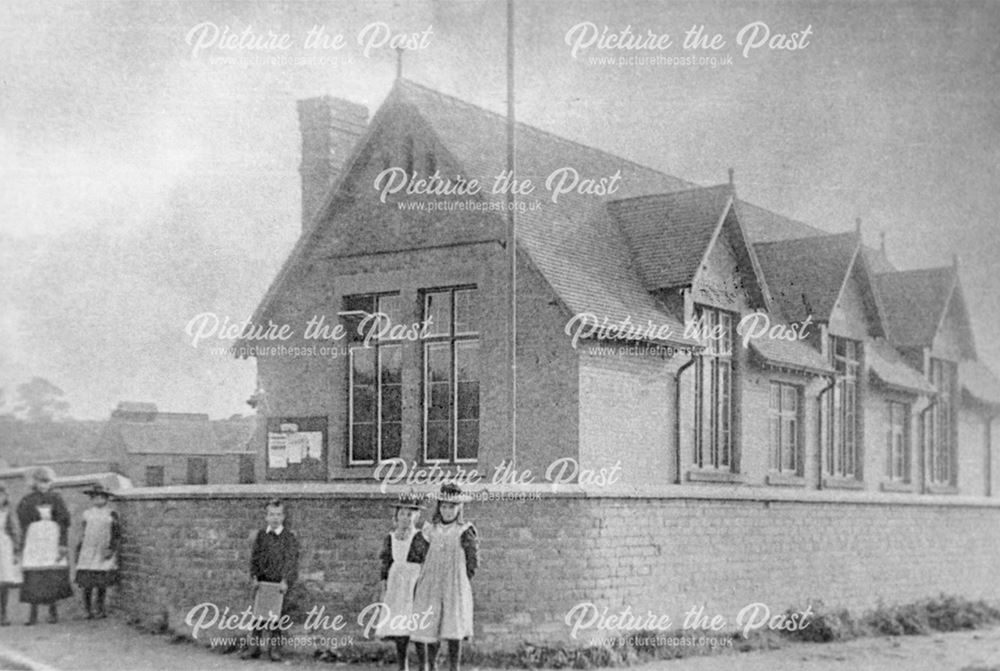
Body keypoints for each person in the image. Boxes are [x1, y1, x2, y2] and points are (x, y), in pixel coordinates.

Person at [410, 484, 479, 671]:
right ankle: (431, 665)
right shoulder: (430, 529)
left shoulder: (464, 530)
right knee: (431, 624)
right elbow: (416, 555)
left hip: (454, 584)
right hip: (431, 583)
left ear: (459, 508)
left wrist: (462, 579)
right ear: (439, 507)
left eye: (452, 507)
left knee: (453, 625)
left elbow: (472, 561)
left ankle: (453, 667)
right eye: (444, 506)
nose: (448, 511)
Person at [241, 498, 299, 663]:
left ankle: (275, 650)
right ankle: (253, 647)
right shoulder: (261, 535)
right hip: (263, 581)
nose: (275, 518)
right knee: (258, 617)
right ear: (266, 517)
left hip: (278, 583)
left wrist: (285, 580)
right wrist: (254, 577)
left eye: (278, 515)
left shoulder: (288, 537)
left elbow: (290, 560)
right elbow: (255, 557)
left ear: (283, 517)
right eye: (271, 515)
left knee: (276, 618)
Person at [17, 467, 73, 625]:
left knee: (51, 573)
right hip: (35, 539)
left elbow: (64, 521)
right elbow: (23, 519)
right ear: (35, 483)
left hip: (51, 538)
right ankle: (32, 614)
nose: (43, 485)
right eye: (40, 482)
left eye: (46, 482)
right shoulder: (28, 499)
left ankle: (52, 612)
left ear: (51, 483)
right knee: (35, 574)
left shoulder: (56, 498)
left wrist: (62, 544)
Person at [377, 495, 426, 671]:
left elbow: (425, 562)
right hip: (396, 586)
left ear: (417, 517)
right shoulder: (390, 538)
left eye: (410, 514)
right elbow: (386, 562)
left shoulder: (420, 537)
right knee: (399, 626)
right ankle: (402, 664)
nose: (406, 518)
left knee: (417, 625)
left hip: (414, 584)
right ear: (396, 516)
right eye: (402, 514)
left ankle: (423, 665)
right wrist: (384, 584)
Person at [75, 484, 121, 619]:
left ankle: (100, 609)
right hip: (88, 550)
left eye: (102, 497)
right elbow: (82, 532)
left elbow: (116, 533)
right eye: (95, 497)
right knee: (87, 583)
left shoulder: (111, 514)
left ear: (106, 499)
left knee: (102, 582)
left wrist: (111, 548)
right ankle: (87, 610)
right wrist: (79, 549)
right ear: (91, 499)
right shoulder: (87, 514)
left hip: (103, 550)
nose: (98, 500)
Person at [0, 485, 23, 626]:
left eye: (1, 496)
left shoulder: (7, 513)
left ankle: (3, 614)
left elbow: (15, 531)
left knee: (3, 582)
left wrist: (15, 550)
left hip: (3, 547)